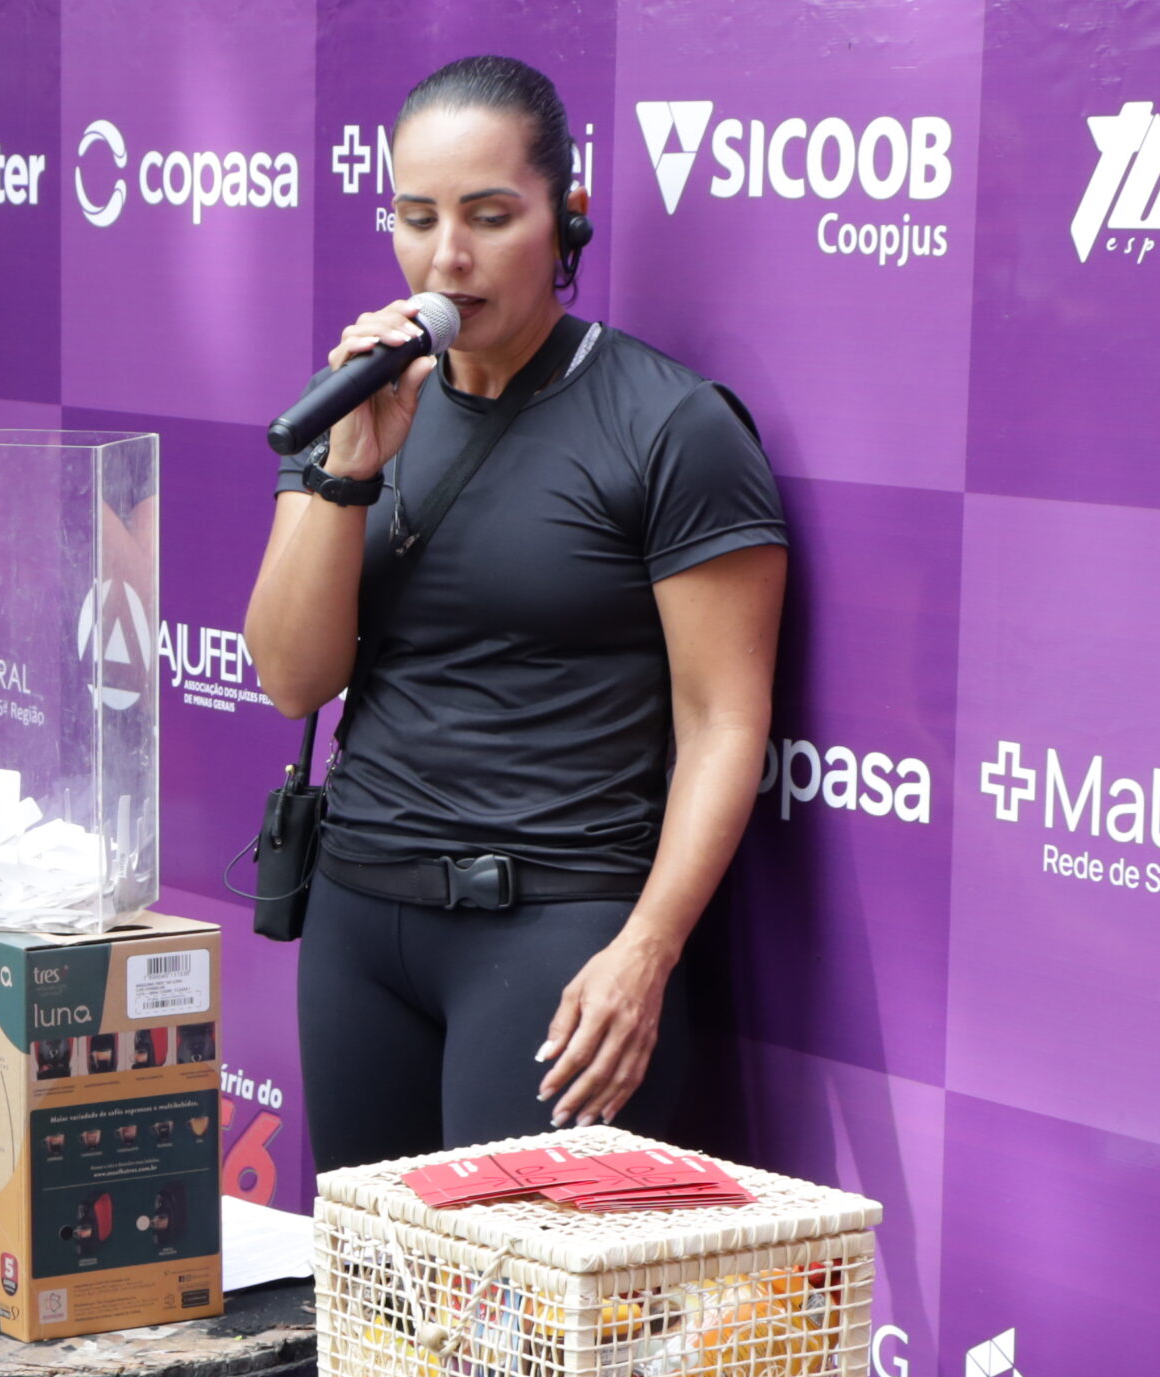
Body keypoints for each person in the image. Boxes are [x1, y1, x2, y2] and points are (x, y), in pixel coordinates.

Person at [244, 56, 786, 1173]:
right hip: (357, 918)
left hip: (554, 927)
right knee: (375, 1277)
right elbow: (293, 678)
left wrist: (647, 949)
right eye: (417, 217)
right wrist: (347, 470)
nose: (448, 256)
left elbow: (723, 721)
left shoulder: (670, 424)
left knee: (514, 1286)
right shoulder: (360, 398)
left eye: (491, 217)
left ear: (567, 214)